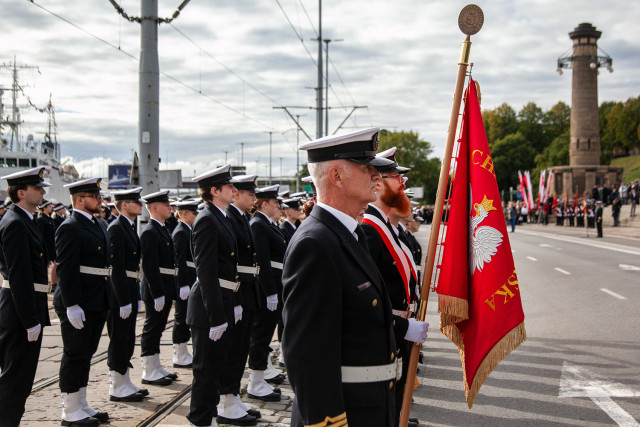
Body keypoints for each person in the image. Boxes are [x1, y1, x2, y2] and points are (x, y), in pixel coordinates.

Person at [282, 128, 428, 427]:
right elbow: (307, 355)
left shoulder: (351, 234)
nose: (377, 176)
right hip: (345, 413)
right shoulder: (315, 243)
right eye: (366, 168)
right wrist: (329, 423)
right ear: (336, 176)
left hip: (371, 406)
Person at [187, 165, 256, 427]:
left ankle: (210, 417)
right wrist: (217, 316)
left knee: (216, 369)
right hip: (208, 308)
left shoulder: (221, 217)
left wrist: (235, 303)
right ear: (215, 191)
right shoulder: (206, 219)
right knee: (206, 373)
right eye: (229, 187)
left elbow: (231, 268)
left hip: (224, 300)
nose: (234, 190)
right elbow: (206, 272)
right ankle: (200, 421)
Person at [362, 146, 426, 427]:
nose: (402, 183)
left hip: (397, 326)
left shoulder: (385, 225)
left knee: (395, 391)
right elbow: (366, 297)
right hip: (384, 328)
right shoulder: (368, 229)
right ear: (376, 183)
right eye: (394, 177)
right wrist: (400, 326)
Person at [55, 177, 111, 426]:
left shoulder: (97, 223)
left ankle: (81, 402)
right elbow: (66, 269)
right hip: (79, 300)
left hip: (96, 297)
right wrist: (71, 305)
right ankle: (69, 409)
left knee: (86, 353)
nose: (100, 200)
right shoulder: (70, 226)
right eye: (95, 196)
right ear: (80, 199)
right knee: (74, 353)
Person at [0, 167, 51, 427]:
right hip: (20, 311)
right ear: (21, 193)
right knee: (15, 379)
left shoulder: (25, 219)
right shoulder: (16, 223)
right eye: (37, 188)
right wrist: (30, 319)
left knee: (20, 379)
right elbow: (18, 275)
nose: (43, 191)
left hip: (28, 305)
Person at [219, 174, 263, 423]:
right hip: (238, 290)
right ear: (237, 194)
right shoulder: (230, 219)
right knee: (233, 349)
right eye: (251, 194)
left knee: (241, 347)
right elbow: (230, 263)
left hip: (247, 289)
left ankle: (233, 396)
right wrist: (235, 299)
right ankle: (225, 401)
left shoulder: (241, 218)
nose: (254, 199)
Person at [106, 187, 146, 402]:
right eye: (135, 201)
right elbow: (117, 268)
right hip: (120, 293)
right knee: (119, 338)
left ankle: (124, 380)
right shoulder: (116, 228)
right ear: (124, 205)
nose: (140, 205)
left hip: (130, 288)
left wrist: (135, 296)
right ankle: (116, 385)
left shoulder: (129, 227)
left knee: (128, 337)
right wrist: (122, 300)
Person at [247, 184, 287, 402]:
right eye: (275, 202)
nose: (278, 206)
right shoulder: (258, 224)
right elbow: (261, 260)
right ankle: (255, 381)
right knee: (260, 335)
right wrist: (270, 291)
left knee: (264, 333)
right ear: (264, 204)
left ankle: (260, 377)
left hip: (276, 283)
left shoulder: (268, 224)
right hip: (267, 287)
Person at [139, 190, 179, 386]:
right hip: (156, 288)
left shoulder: (162, 229)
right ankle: (148, 369)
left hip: (165, 285)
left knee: (159, 327)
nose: (170, 208)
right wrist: (157, 293)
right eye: (165, 205)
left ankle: (155, 365)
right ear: (154, 208)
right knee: (152, 328)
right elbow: (149, 265)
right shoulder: (149, 231)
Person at [170, 200, 197, 369]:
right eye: (194, 213)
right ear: (184, 214)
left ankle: (183, 351)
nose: (197, 216)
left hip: (191, 277)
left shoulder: (188, 230)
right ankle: (179, 353)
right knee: (181, 317)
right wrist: (182, 284)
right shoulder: (181, 232)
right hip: (185, 279)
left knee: (186, 316)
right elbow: (179, 260)